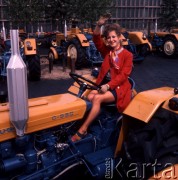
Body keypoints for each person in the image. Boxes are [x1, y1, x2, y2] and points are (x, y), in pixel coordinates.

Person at [71, 15, 133, 142]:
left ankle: (83, 129)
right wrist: (99, 25)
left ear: (119, 37)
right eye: (109, 38)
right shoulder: (108, 52)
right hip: (105, 85)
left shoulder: (128, 55)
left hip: (119, 88)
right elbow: (96, 39)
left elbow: (123, 76)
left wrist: (108, 86)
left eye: (114, 37)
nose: (111, 40)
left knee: (97, 98)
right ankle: (92, 121)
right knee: (89, 96)